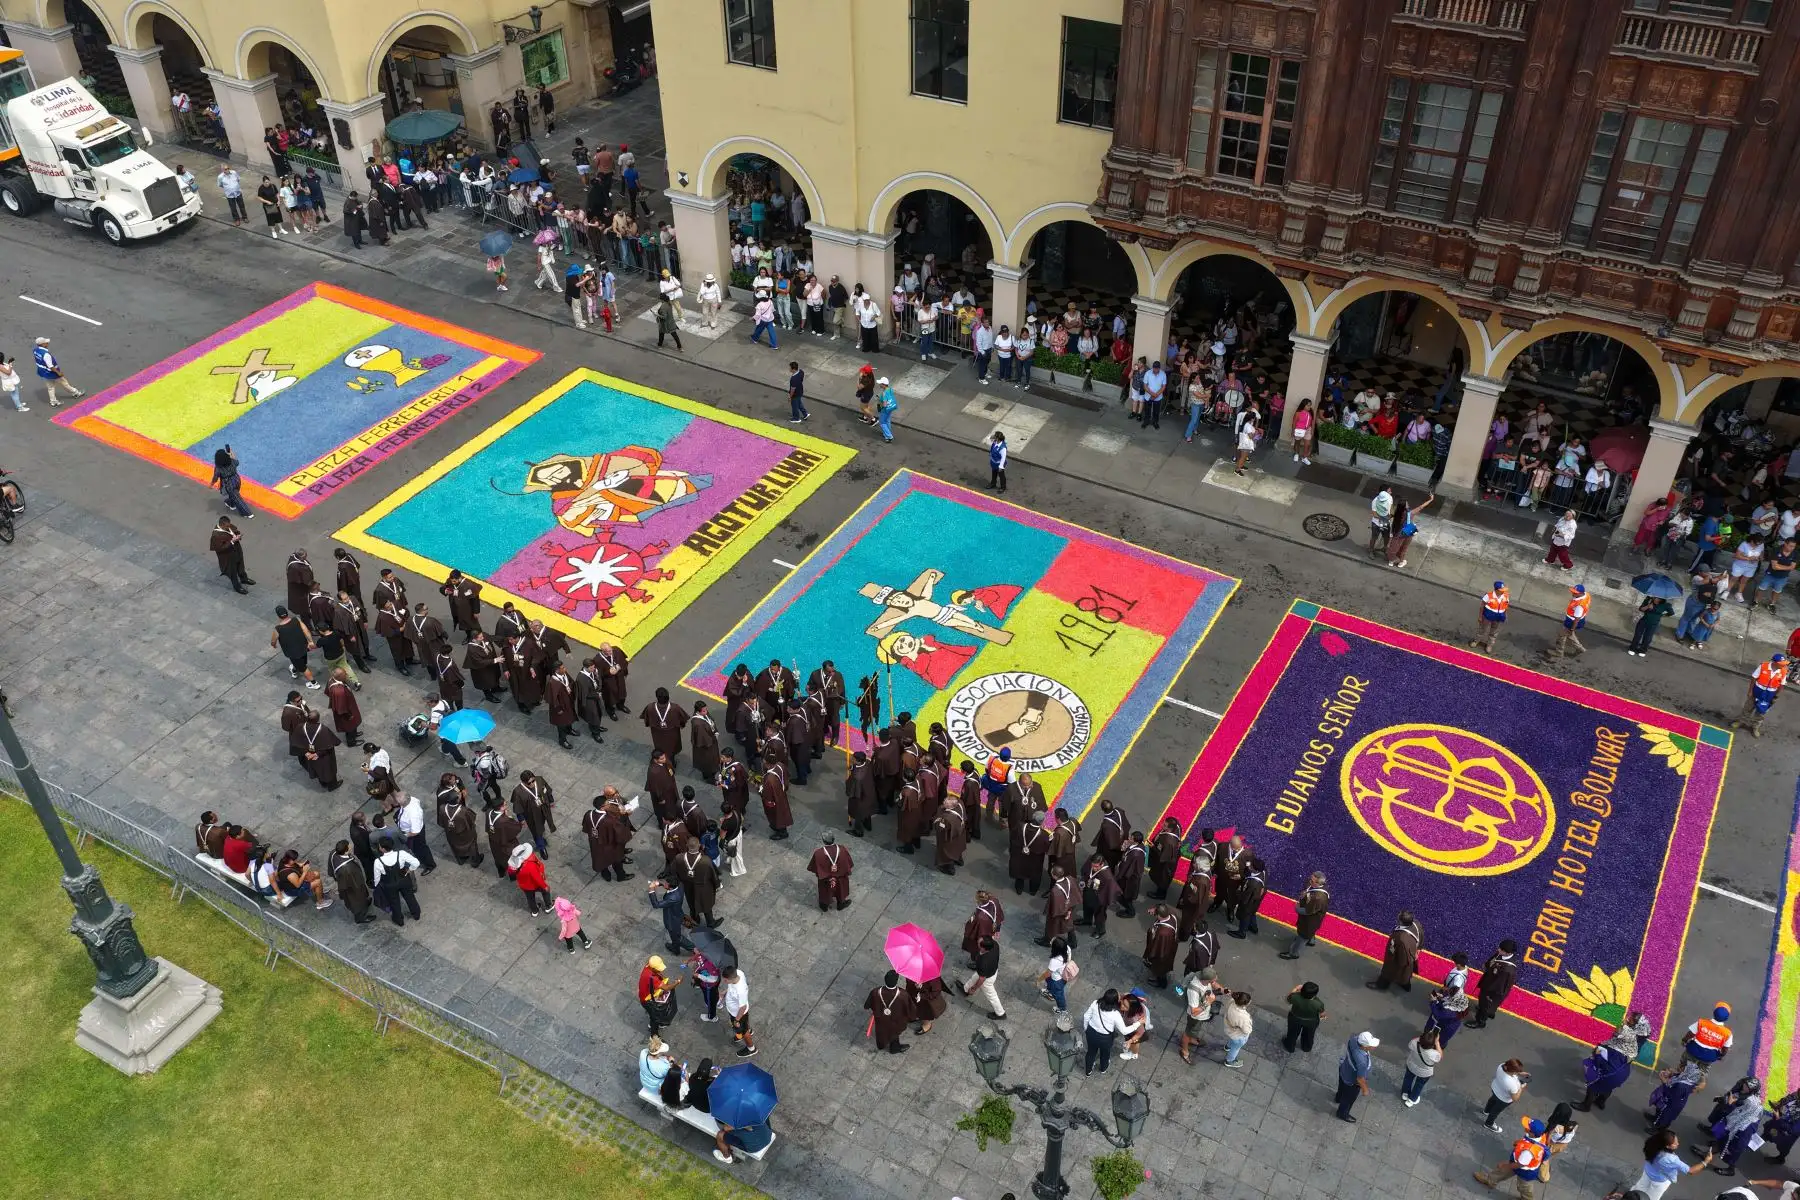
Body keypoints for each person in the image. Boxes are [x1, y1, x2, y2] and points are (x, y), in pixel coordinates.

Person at [1577, 1010, 1652, 1110]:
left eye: (1631, 1020)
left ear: (1636, 1026)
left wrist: (1597, 1055)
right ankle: (1600, 1101)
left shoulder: (1628, 1036)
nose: (1627, 1019)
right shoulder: (1637, 1042)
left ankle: (1586, 1105)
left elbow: (1605, 1064)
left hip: (1613, 1070)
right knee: (1608, 1086)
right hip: (1622, 1071)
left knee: (1594, 1084)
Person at [1619, 1129, 1713, 1199]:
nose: (1678, 1144)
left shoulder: (1651, 1144)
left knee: (1638, 1188)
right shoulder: (1671, 1159)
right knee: (1651, 1197)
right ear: (1667, 1146)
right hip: (1660, 1181)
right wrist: (1706, 1162)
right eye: (1675, 1143)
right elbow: (1691, 1171)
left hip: (1648, 1172)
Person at [1473, 1118, 1550, 1198]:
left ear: (1532, 1133)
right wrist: (1520, 1142)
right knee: (1501, 1172)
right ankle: (1490, 1181)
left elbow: (1519, 1164)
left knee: (1524, 1187)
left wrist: (1505, 1164)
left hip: (1525, 1172)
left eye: (1528, 1128)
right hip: (1518, 1163)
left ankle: (1526, 1198)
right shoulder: (1541, 1136)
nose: (1525, 1128)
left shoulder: (1528, 1152)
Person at [1081, 988, 1141, 1077]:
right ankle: (1103, 1069)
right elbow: (1124, 1030)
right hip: (1105, 1039)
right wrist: (1137, 1024)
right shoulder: (1115, 1014)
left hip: (1091, 1033)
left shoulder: (1095, 1003)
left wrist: (1087, 1030)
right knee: (1105, 1054)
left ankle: (1088, 1071)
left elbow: (1086, 1016)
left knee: (1091, 1053)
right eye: (1119, 998)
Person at [371, 836, 422, 926]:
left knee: (394, 902)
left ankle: (399, 920)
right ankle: (416, 914)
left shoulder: (378, 862)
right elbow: (416, 863)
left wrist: (377, 886)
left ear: (382, 849)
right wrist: (409, 869)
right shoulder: (401, 854)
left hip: (389, 884)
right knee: (410, 897)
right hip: (404, 880)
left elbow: (377, 878)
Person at [1280, 871, 1331, 959]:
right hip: (1315, 920)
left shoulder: (1318, 898)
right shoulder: (1320, 889)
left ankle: (1293, 953)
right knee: (1310, 932)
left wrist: (1297, 908)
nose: (1309, 882)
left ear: (1318, 883)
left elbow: (1308, 911)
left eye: (1312, 881)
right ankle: (1311, 940)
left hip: (1309, 921)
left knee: (1301, 937)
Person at [1336, 1031, 1378, 1122]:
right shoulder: (1362, 1061)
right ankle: (1342, 1113)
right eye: (1371, 1045)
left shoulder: (1354, 1040)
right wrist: (1365, 1089)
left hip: (1344, 1069)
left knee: (1341, 1088)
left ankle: (1338, 1098)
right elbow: (1360, 1078)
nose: (1374, 1047)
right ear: (1364, 1046)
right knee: (1348, 1099)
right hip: (1352, 1081)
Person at [31, 337, 80, 407]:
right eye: (46, 342)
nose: (47, 343)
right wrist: (58, 372)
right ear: (42, 344)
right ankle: (75, 393)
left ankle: (53, 401)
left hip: (43, 372)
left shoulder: (35, 350)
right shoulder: (46, 354)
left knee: (50, 387)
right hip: (52, 373)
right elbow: (50, 366)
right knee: (64, 383)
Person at [1485, 1058, 1530, 1131]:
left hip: (1495, 1088)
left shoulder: (1501, 1066)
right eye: (1516, 1071)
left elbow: (1509, 1070)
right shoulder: (1511, 1083)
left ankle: (1486, 1111)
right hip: (1503, 1099)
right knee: (1495, 1111)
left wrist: (1519, 1073)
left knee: (1492, 1100)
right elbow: (1515, 1098)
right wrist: (1521, 1088)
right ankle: (1488, 1124)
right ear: (1513, 1071)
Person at [1283, 980, 1326, 1053]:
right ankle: (1306, 1047)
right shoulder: (1318, 1004)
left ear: (1301, 990)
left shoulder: (1295, 997)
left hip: (1295, 1018)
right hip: (1311, 1022)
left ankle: (1290, 1046)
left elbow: (1287, 999)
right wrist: (1322, 1018)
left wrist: (1295, 989)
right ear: (1314, 995)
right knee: (1309, 1035)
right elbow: (1323, 1014)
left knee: (1292, 1033)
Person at [639, 955, 677, 1034]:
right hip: (647, 1000)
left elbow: (659, 974)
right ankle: (654, 1033)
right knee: (654, 1017)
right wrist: (677, 982)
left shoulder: (647, 967)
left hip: (644, 995)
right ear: (653, 968)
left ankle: (655, 1020)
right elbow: (666, 988)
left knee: (653, 1013)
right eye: (658, 969)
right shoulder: (652, 978)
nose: (660, 971)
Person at [1038, 936, 1073, 1015]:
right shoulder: (1067, 948)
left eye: (1052, 942)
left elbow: (1048, 973)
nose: (1050, 942)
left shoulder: (1055, 960)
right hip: (1062, 976)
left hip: (1057, 981)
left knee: (1059, 995)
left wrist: (1039, 979)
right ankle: (1050, 994)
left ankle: (1062, 1009)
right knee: (1049, 982)